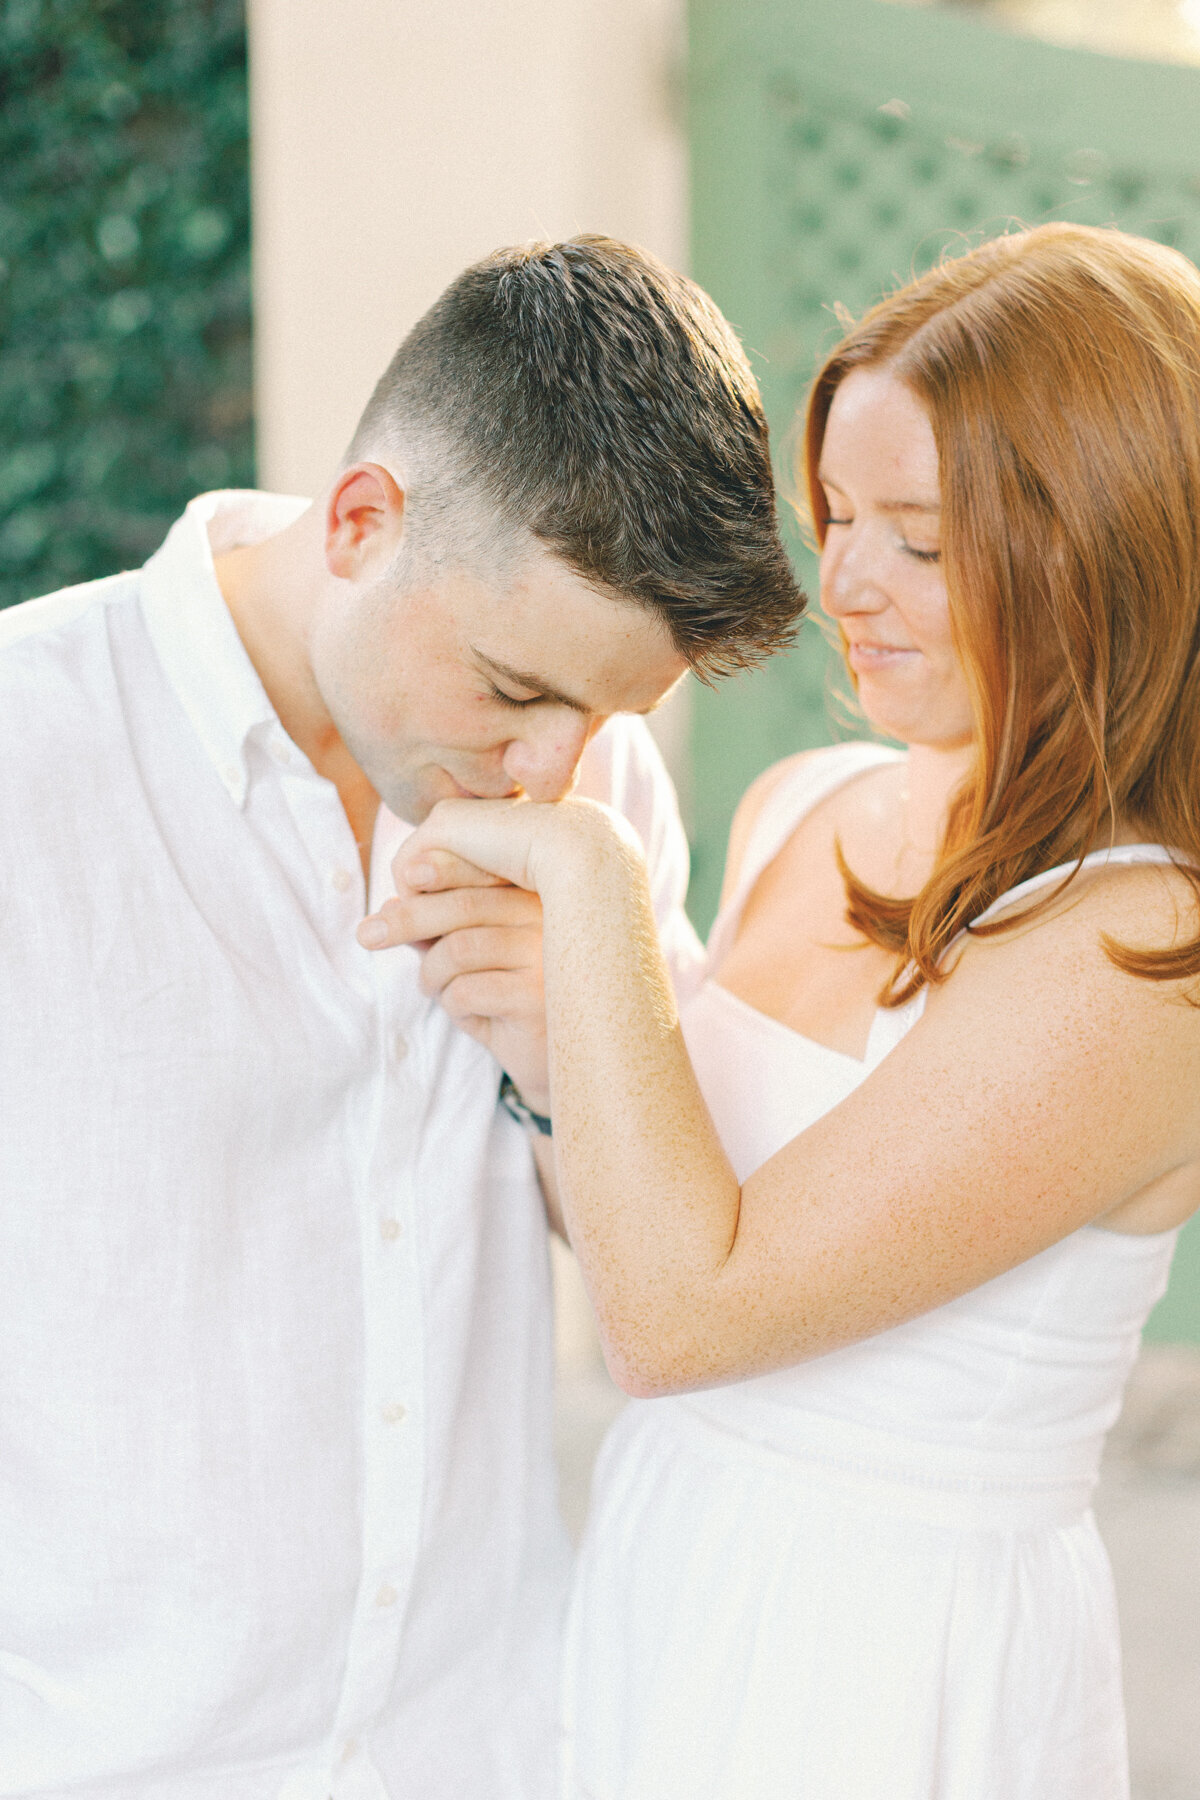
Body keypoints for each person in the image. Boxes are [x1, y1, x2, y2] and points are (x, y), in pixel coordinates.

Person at [369, 223, 1200, 1799]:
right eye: (836, 514)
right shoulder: (809, 808)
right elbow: (641, 1231)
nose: (847, 585)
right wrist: (554, 1060)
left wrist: (600, 900)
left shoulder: (1145, 944)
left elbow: (686, 1317)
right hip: (671, 1561)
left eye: (923, 540)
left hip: (887, 1653)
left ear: (1112, 545)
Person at [0, 236, 804, 1799]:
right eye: (514, 693)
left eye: (606, 717)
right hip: (108, 1754)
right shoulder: (28, 760)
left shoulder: (599, 803)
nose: (550, 774)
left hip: (490, 1740)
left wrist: (568, 1065)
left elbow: (653, 1276)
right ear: (365, 521)